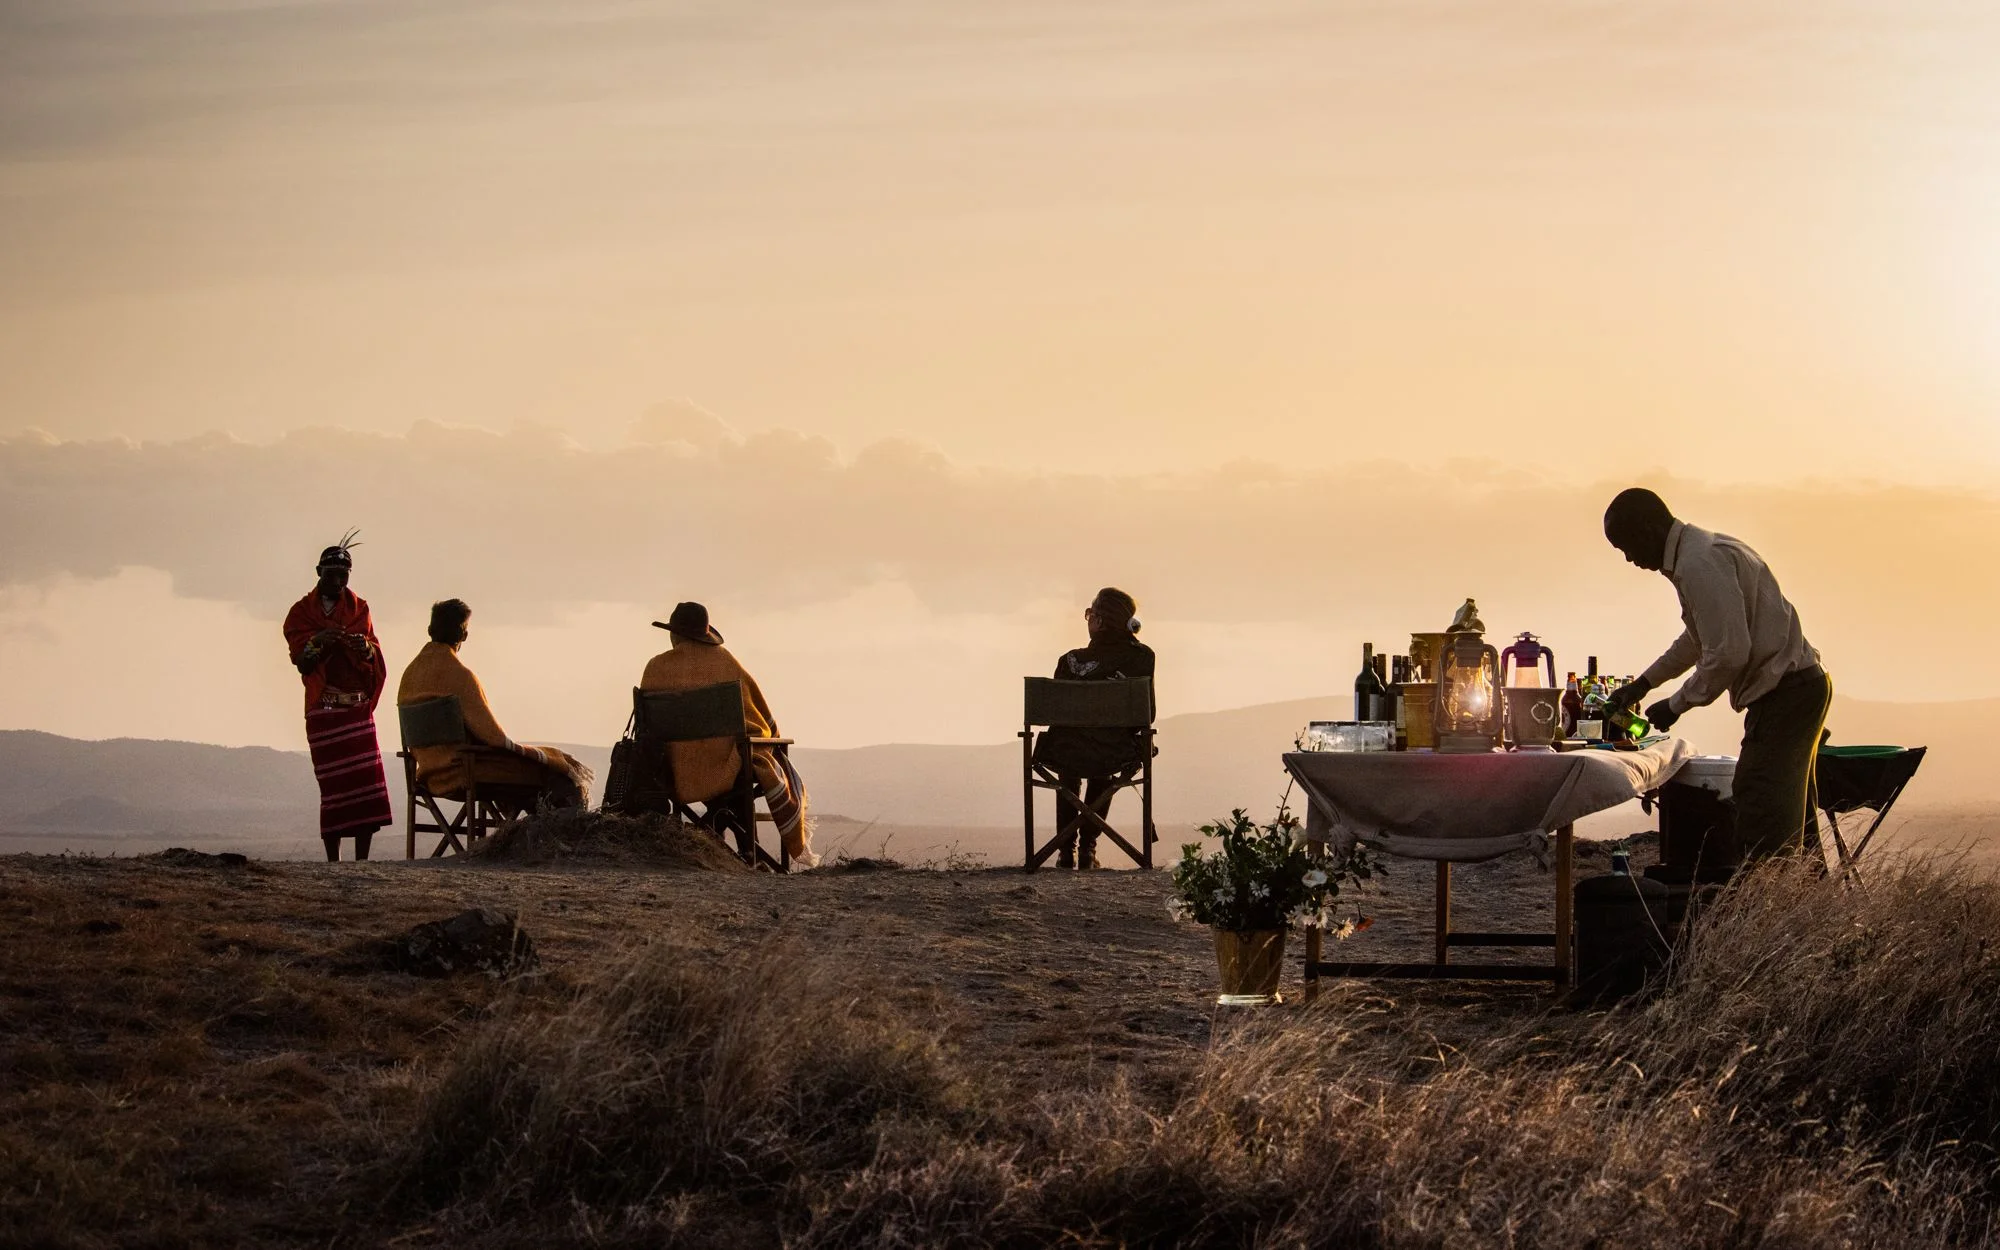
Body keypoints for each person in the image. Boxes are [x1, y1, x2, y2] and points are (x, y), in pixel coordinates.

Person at [1601, 488, 1831, 862]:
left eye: (1627, 546)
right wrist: (1643, 684)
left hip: (1785, 695)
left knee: (1761, 807)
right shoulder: (1698, 553)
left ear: (1649, 528)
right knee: (1792, 816)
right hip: (1798, 689)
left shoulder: (1698, 564)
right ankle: (1814, 907)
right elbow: (1698, 641)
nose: (1629, 559)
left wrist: (1677, 704)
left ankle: (1768, 908)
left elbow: (1729, 653)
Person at [639, 602, 817, 869]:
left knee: (732, 785)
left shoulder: (655, 667)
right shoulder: (724, 661)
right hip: (725, 767)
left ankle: (714, 834)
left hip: (674, 770)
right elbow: (759, 717)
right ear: (704, 634)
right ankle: (747, 854)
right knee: (741, 768)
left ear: (674, 634)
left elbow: (647, 728)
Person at [397, 599, 591, 813]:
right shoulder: (460, 676)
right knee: (558, 774)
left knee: (528, 786)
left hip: (429, 775)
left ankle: (519, 830)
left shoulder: (409, 676)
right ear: (464, 635)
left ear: (429, 630)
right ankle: (565, 838)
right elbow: (493, 737)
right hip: (465, 773)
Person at [282, 532, 393, 861]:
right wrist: (321, 640)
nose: (339, 581)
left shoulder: (360, 608)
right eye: (332, 575)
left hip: (357, 708)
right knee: (333, 790)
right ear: (318, 573)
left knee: (366, 787)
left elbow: (374, 653)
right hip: (325, 710)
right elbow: (302, 661)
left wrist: (366, 649)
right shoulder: (301, 613)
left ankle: (362, 863)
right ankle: (334, 863)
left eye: (344, 575)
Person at [1034, 587, 1156, 869]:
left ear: (1099, 622)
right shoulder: (1142, 657)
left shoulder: (1070, 661)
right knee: (1103, 765)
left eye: (1090, 614)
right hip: (1116, 753)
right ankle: (1088, 850)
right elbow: (1148, 714)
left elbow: (1056, 716)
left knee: (1071, 764)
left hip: (1066, 753)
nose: (1088, 619)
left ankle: (1066, 851)